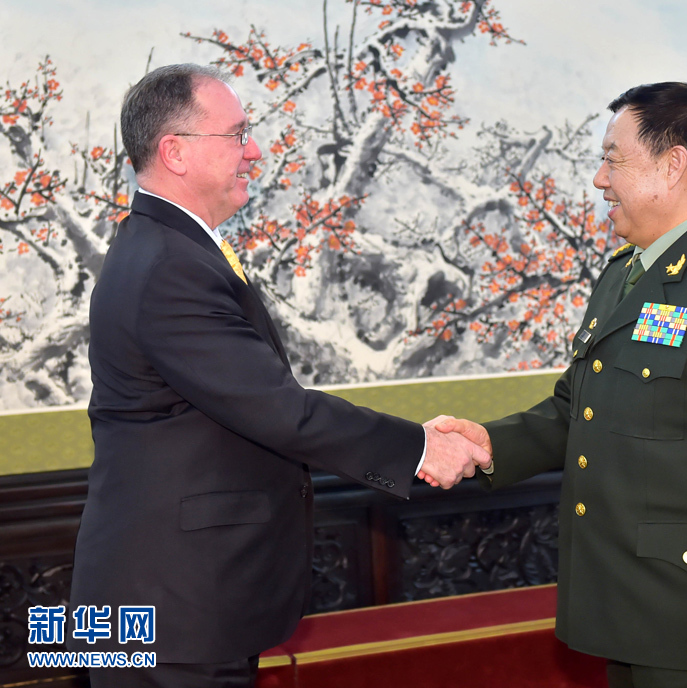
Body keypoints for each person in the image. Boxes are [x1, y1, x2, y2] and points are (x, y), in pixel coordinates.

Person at [68, 64, 489, 688]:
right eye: (237, 135)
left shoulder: (165, 248)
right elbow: (280, 410)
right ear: (175, 152)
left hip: (180, 603)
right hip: (170, 611)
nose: (255, 150)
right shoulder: (169, 266)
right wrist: (421, 448)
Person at [428, 82, 687, 688]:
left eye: (613, 159)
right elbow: (577, 410)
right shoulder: (624, 275)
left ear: (672, 165)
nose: (599, 180)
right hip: (627, 613)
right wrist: (490, 444)